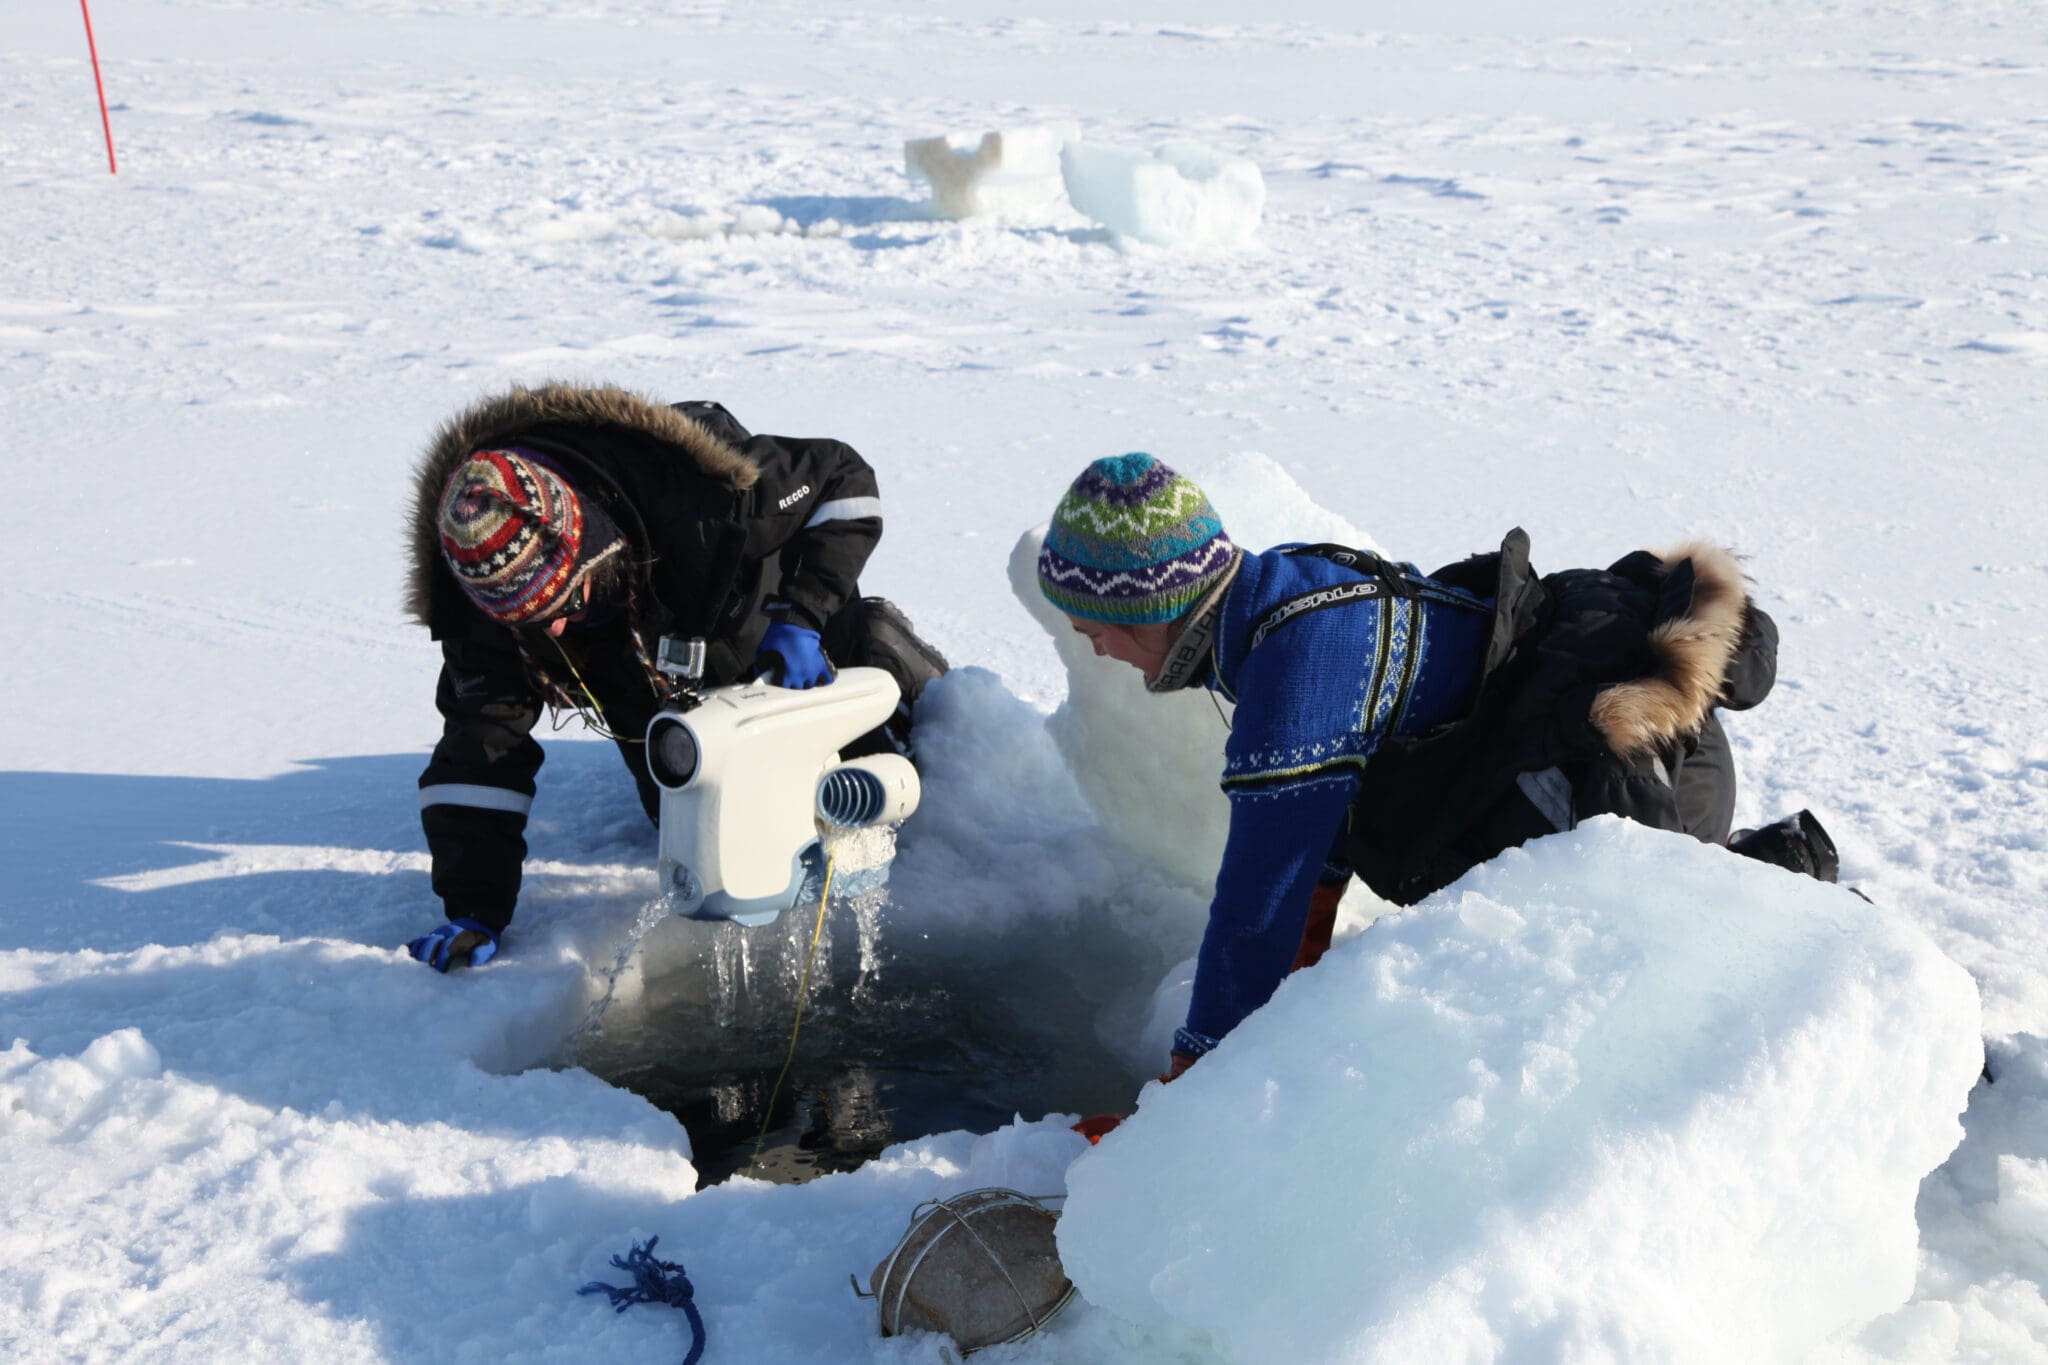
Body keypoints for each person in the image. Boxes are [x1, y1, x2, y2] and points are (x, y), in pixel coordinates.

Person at [1038, 452, 1835, 1082]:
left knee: (1628, 999)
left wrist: (1196, 1076)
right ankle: (1759, 884)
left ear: (1152, 603)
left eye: (1096, 628)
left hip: (1623, 786)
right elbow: (1342, 801)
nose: (1097, 650)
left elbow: (1258, 902)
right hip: (1637, 748)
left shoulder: (1293, 673)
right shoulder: (1286, 588)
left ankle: (1799, 927)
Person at [403, 382, 946, 971]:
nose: (552, 633)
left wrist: (804, 614)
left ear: (593, 548)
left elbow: (845, 482)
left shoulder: (702, 492)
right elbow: (479, 752)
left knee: (885, 790)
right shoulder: (489, 606)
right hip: (658, 696)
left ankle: (887, 645)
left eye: (561, 607)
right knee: (693, 832)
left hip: (781, 636)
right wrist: (474, 907)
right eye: (530, 624)